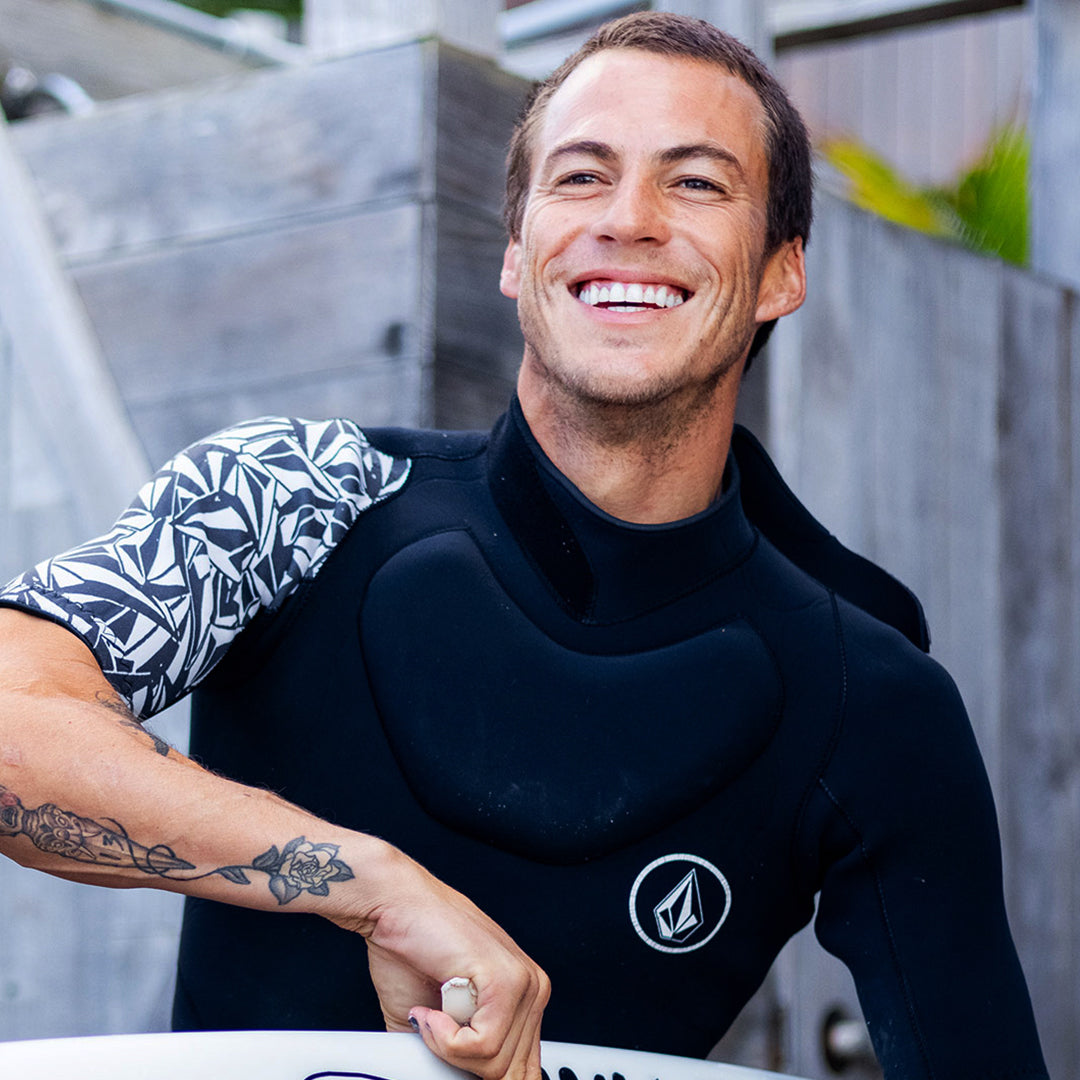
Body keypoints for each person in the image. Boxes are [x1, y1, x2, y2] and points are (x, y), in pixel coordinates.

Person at [0, 12, 1048, 1080]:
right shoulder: (294, 496)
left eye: (695, 183)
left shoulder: (872, 700)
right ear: (515, 254)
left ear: (782, 271)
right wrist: (372, 887)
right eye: (582, 177)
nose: (628, 221)